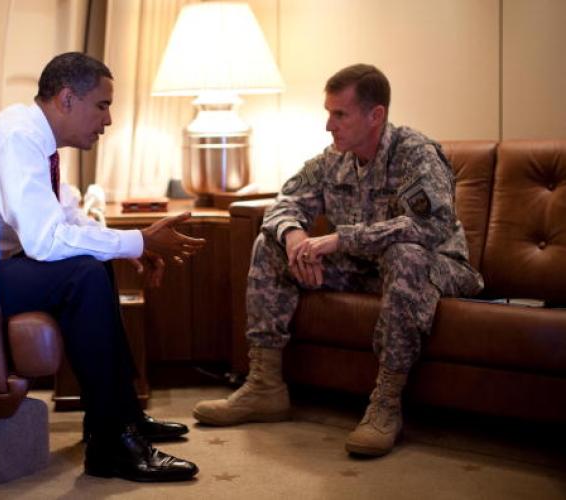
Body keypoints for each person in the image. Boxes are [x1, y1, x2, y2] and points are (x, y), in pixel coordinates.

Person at [0, 52, 206, 482]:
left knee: (93, 267)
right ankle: (110, 445)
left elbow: (65, 218)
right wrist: (136, 239)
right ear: (67, 99)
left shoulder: (36, 139)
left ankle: (123, 418)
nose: (109, 119)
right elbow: (45, 241)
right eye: (102, 105)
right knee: (82, 274)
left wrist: (127, 246)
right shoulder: (17, 137)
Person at [193, 64, 484, 457]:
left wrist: (340, 238)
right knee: (271, 243)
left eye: (340, 114)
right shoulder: (333, 160)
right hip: (367, 270)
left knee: (406, 255)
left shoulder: (417, 153)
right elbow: (286, 202)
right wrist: (295, 236)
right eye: (328, 113)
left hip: (437, 267)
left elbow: (430, 227)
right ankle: (265, 386)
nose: (329, 125)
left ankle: (385, 404)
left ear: (375, 115)